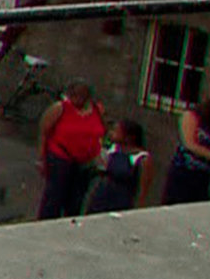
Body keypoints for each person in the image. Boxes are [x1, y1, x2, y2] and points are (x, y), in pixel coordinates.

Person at [36, 81, 108, 220]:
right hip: (60, 157)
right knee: (55, 196)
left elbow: (103, 130)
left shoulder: (97, 110)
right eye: (73, 96)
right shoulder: (60, 108)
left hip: (85, 162)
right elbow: (44, 131)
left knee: (76, 199)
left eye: (80, 96)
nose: (76, 100)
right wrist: (41, 158)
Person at [85, 119, 150, 213]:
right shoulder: (113, 149)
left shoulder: (141, 158)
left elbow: (142, 190)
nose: (111, 133)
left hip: (121, 202)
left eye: (115, 131)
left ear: (128, 137)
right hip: (101, 198)